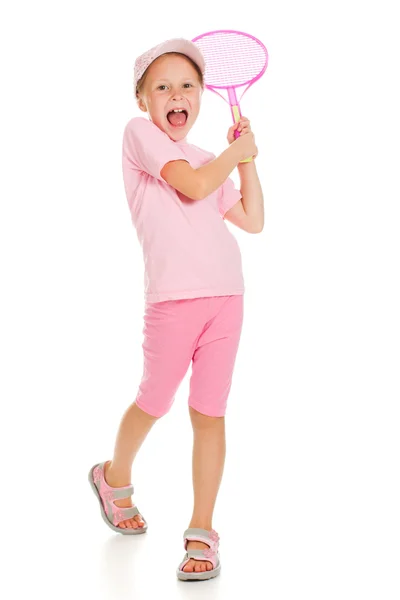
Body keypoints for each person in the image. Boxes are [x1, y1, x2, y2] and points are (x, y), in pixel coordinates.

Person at [88, 37, 264, 582]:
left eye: (187, 84)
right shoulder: (139, 136)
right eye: (161, 86)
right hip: (171, 302)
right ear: (143, 100)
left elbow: (254, 220)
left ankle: (202, 531)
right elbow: (189, 188)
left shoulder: (211, 158)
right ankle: (113, 477)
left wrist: (248, 157)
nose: (175, 94)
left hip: (226, 299)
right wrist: (236, 155)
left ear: (203, 95)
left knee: (209, 414)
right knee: (154, 401)